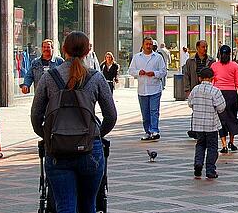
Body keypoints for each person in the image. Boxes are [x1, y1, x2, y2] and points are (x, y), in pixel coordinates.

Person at [31, 31, 117, 213]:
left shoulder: (49, 77)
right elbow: (111, 115)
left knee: (65, 206)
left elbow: (36, 115)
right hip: (90, 149)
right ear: (87, 51)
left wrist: (49, 135)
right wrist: (95, 134)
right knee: (89, 205)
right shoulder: (96, 77)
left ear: (64, 50)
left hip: (57, 150)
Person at [187, 67, 227, 179]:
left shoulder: (195, 89)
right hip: (212, 125)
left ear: (200, 78)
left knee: (200, 144)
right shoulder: (215, 91)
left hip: (198, 124)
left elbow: (190, 103)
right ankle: (210, 170)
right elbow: (221, 107)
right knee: (212, 147)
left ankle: (198, 163)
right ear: (212, 78)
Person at [128, 37, 168, 141]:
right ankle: (147, 131)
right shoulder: (137, 57)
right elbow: (131, 70)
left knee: (154, 111)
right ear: (143, 45)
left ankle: (154, 130)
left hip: (155, 88)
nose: (148, 46)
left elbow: (163, 71)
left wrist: (154, 73)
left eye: (150, 44)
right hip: (142, 89)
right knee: (145, 113)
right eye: (147, 44)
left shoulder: (158, 57)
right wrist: (138, 72)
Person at [212, 45, 238, 154]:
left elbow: (212, 83)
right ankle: (232, 142)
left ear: (220, 54)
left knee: (221, 120)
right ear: (230, 54)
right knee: (232, 118)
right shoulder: (235, 66)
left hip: (218, 94)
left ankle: (224, 144)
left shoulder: (214, 66)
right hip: (232, 95)